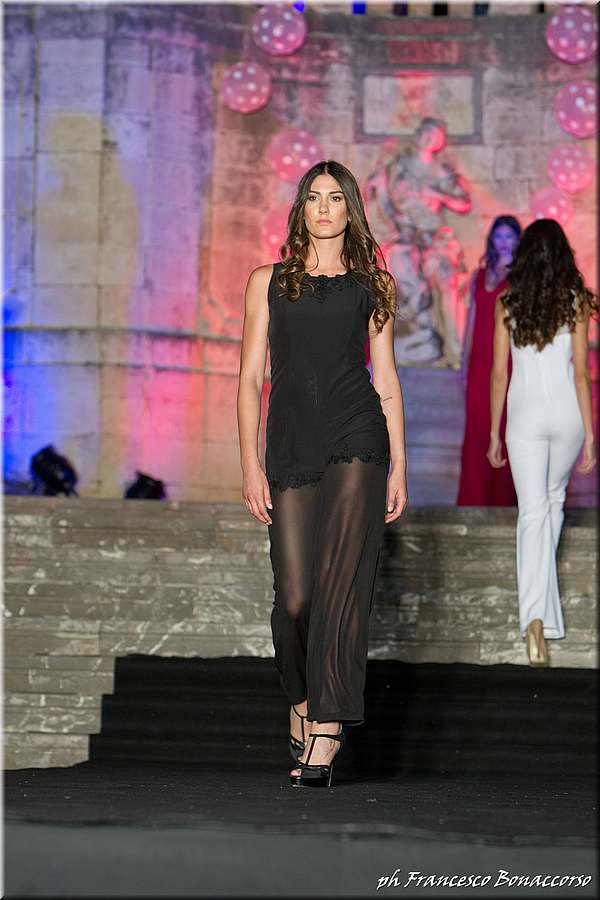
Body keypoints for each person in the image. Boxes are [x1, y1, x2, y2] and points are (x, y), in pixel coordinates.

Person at [237, 160, 408, 787]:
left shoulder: (375, 285)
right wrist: (249, 462)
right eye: (314, 197)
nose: (325, 208)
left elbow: (386, 380)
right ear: (301, 209)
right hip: (290, 445)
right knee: (296, 597)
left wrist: (399, 464)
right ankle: (303, 697)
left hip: (357, 436)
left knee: (341, 585)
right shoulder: (268, 282)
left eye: (336, 198)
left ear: (350, 208)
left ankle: (328, 728)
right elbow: (249, 379)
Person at [487, 219, 597, 666]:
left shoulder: (507, 301)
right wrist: (590, 433)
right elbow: (581, 374)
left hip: (525, 416)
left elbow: (499, 374)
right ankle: (546, 621)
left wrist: (493, 432)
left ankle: (534, 619)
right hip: (567, 415)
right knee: (552, 505)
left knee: (533, 513)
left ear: (525, 254)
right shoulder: (577, 301)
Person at [364, 117, 471, 368]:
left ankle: (452, 349)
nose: (427, 138)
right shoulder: (397, 166)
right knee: (397, 270)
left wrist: (436, 194)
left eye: (434, 135)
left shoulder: (440, 170)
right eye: (425, 132)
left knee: (444, 277)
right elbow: (376, 194)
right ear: (417, 133)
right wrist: (388, 208)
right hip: (403, 235)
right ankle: (409, 341)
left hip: (432, 236)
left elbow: (463, 203)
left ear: (439, 142)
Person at [457, 216, 521, 506]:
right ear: (492, 240)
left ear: (518, 240)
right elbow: (471, 321)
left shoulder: (521, 277)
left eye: (509, 236)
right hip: (479, 363)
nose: (504, 242)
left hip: (508, 362)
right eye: (499, 236)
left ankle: (503, 502)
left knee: (506, 427)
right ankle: (474, 499)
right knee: (477, 430)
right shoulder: (478, 276)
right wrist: (463, 361)